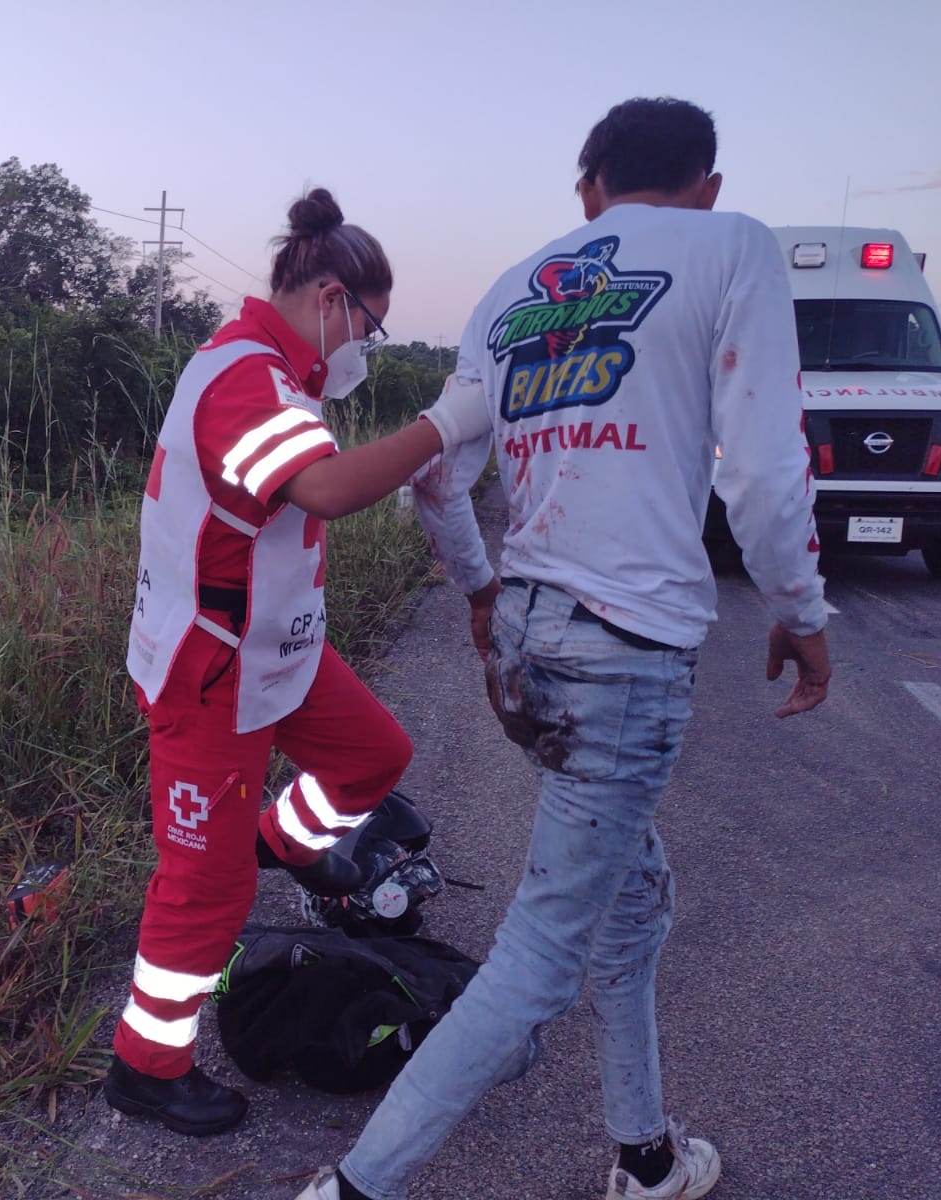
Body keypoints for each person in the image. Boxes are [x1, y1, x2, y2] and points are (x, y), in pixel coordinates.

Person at [295, 97, 832, 1200]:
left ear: (586, 187)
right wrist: (800, 609)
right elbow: (768, 470)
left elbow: (439, 482)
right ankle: (352, 1189)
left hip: (532, 643)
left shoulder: (511, 291)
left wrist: (485, 601)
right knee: (536, 960)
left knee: (630, 900)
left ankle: (643, 1157)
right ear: (708, 183)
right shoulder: (731, 246)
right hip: (623, 660)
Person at [106, 188, 489, 1136]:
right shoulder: (242, 377)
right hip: (212, 674)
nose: (369, 347)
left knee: (372, 759)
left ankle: (276, 842)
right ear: (330, 297)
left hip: (279, 655)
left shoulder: (283, 376)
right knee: (204, 892)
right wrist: (442, 424)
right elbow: (322, 488)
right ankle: (145, 1067)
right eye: (372, 327)